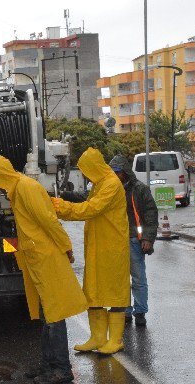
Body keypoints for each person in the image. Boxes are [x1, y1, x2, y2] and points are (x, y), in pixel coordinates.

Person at [0, 156, 87, 384]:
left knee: (54, 314)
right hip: (38, 259)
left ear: (2, 176)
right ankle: (49, 363)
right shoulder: (18, 190)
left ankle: (61, 368)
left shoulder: (26, 189)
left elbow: (48, 221)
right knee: (46, 314)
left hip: (46, 258)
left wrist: (66, 246)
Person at [51, 148, 130, 355]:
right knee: (93, 293)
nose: (84, 175)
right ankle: (97, 337)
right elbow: (89, 206)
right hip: (98, 247)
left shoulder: (111, 184)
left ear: (94, 167)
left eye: (85, 170)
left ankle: (115, 339)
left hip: (112, 248)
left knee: (114, 294)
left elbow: (91, 209)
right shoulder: (100, 183)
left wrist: (62, 207)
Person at [108, 154, 158, 327]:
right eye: (112, 172)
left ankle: (140, 311)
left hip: (133, 241)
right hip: (116, 241)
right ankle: (125, 311)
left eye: (117, 172)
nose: (115, 175)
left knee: (138, 278)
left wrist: (147, 238)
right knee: (119, 280)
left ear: (125, 172)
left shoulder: (140, 189)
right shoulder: (110, 189)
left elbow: (150, 214)